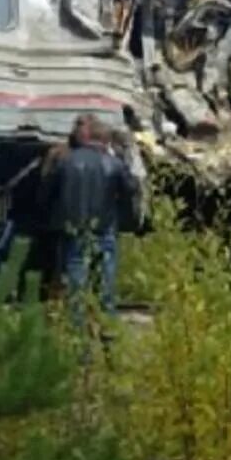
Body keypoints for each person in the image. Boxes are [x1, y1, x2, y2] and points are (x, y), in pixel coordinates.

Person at [53, 115, 140, 320]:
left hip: (73, 228)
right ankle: (107, 327)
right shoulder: (114, 164)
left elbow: (47, 193)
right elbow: (131, 189)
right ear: (105, 141)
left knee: (76, 280)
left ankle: (78, 329)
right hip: (105, 228)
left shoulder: (65, 161)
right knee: (106, 281)